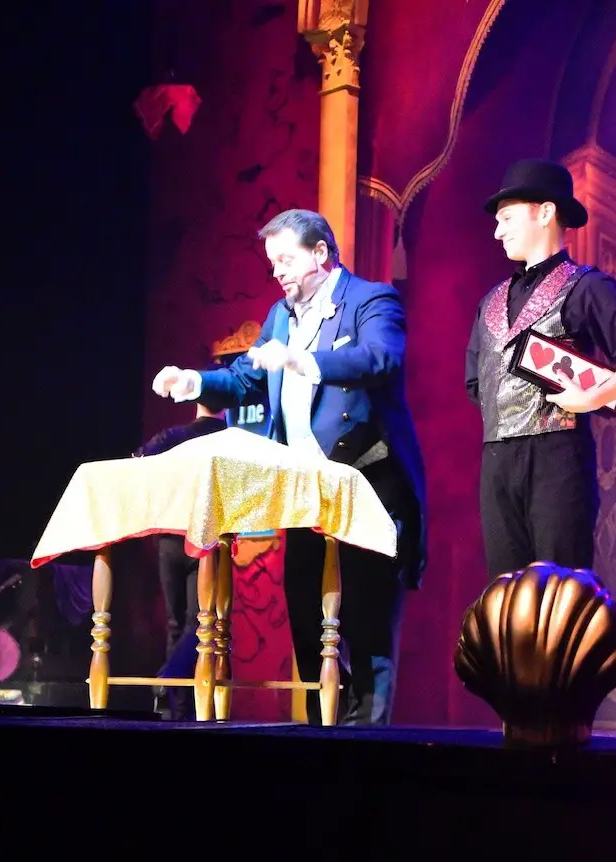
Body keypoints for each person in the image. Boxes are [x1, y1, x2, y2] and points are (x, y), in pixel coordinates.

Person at [152, 208, 427, 726]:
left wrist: (305, 361)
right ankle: (322, 744)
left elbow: (380, 358)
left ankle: (369, 752)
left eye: (285, 259)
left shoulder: (371, 300)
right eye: (272, 262)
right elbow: (245, 378)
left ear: (320, 253)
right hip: (305, 494)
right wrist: (195, 382)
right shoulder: (281, 316)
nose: (276, 271)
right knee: (309, 626)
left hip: (368, 485)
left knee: (367, 632)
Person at [465, 159, 616, 580]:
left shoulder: (587, 286)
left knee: (559, 591)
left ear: (545, 212)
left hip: (557, 458)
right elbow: (476, 384)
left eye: (507, 218)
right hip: (497, 462)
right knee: (505, 595)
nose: (497, 231)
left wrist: (594, 396)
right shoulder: (490, 302)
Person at [133, 402, 227, 719]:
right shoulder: (231, 440)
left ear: (197, 400)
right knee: (200, 624)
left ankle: (177, 710)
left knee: (177, 625)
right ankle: (171, 678)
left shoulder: (173, 436)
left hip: (170, 538)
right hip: (207, 541)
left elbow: (137, 462)